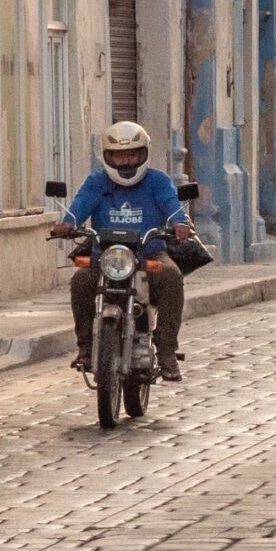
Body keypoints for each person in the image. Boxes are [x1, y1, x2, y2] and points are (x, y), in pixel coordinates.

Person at [52, 120, 193, 383]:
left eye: (132, 154)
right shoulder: (96, 182)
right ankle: (85, 347)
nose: (126, 161)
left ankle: (166, 352)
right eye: (119, 155)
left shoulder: (158, 181)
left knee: (172, 276)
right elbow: (79, 206)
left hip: (149, 255)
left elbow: (172, 205)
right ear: (108, 156)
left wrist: (180, 223)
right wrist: (68, 223)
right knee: (81, 281)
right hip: (104, 257)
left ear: (143, 154)